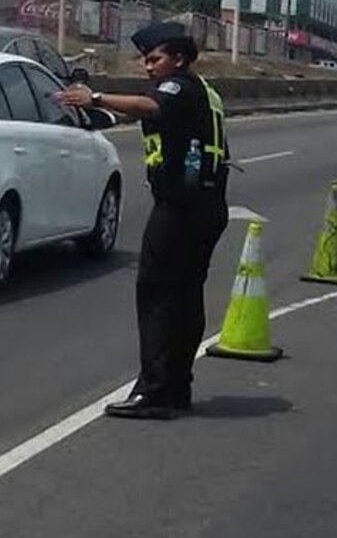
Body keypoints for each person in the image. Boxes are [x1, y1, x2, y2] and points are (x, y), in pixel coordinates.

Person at [56, 22, 230, 419]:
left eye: (155, 59)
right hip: (206, 205)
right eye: (145, 60)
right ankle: (176, 387)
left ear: (179, 59)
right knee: (186, 298)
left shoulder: (179, 87)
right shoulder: (205, 92)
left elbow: (152, 107)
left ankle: (153, 391)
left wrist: (95, 97)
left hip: (181, 210)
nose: (148, 67)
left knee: (155, 295)